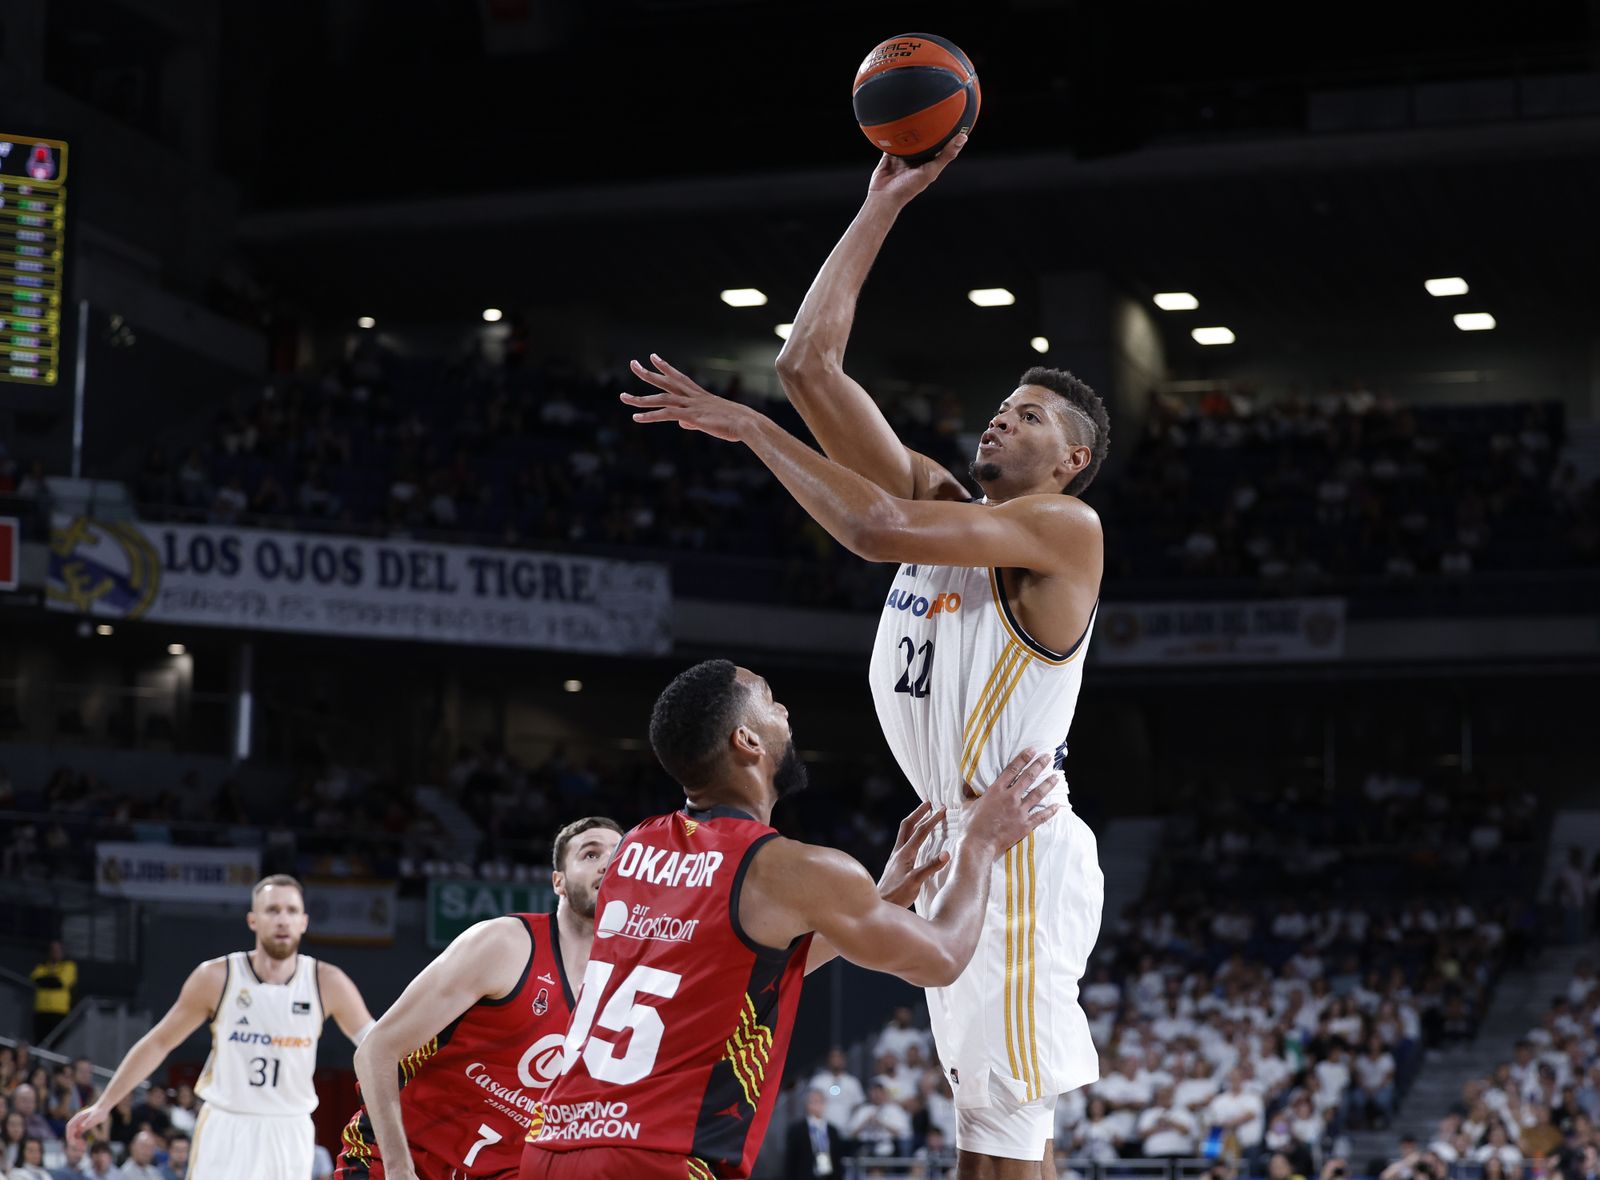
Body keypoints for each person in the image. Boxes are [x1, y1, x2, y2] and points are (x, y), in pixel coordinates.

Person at [622, 132, 1109, 1180]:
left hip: (1013, 848)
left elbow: (873, 527)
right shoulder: (948, 506)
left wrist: (753, 433)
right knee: (984, 1129)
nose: (1000, 418)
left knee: (1011, 1135)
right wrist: (882, 199)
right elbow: (807, 365)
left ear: (1068, 461)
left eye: (1027, 416)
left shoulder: (1067, 532)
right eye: (999, 406)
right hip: (959, 839)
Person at [521, 659, 1057, 1179]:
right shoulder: (788, 868)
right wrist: (981, 842)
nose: (786, 713)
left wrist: (881, 899)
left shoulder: (635, 846)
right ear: (747, 741)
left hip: (551, 1144)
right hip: (655, 1158)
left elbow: (751, 967)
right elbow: (942, 958)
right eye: (772, 701)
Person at [335, 816, 625, 1179]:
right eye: (590, 854)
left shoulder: (629, 986)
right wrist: (398, 1169)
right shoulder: (505, 943)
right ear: (559, 882)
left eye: (618, 856)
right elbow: (375, 1050)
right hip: (404, 1160)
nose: (607, 864)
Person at [66, 875, 375, 1180]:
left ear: (304, 921)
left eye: (292, 911)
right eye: (272, 910)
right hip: (227, 1125)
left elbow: (376, 1044)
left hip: (289, 1128)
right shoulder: (216, 977)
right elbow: (159, 1042)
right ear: (253, 920)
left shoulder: (327, 982)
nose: (283, 920)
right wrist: (104, 1104)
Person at [784, 1089, 845, 1179]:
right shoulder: (797, 1130)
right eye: (813, 1102)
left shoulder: (833, 1130)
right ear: (807, 1105)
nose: (817, 1105)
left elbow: (837, 1158)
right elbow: (791, 1160)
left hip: (829, 1176)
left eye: (820, 1102)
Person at [29, 942, 76, 1045]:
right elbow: (35, 979)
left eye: (58, 950)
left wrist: (46, 980)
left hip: (59, 1012)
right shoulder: (42, 966)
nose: (55, 952)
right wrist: (53, 980)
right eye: (53, 950)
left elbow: (61, 983)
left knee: (57, 1043)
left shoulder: (69, 966)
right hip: (41, 1010)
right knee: (39, 1042)